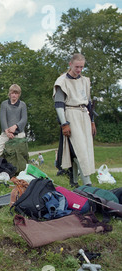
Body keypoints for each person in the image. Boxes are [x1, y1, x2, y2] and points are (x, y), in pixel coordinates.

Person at [53, 53, 95, 187]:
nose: (79, 70)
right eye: (77, 66)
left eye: (81, 67)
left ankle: (74, 181)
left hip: (84, 115)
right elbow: (59, 104)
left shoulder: (84, 81)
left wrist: (92, 120)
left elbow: (88, 103)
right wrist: (64, 123)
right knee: (79, 149)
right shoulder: (62, 81)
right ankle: (87, 184)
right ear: (70, 64)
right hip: (71, 114)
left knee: (85, 149)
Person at [0, 84, 27, 158]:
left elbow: (24, 119)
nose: (14, 95)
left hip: (19, 133)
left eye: (16, 93)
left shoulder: (22, 105)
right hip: (6, 133)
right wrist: (7, 131)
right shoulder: (4, 104)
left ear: (19, 94)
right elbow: (3, 118)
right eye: (12, 93)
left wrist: (15, 126)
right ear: (10, 94)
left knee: (20, 154)